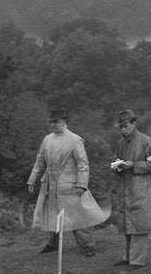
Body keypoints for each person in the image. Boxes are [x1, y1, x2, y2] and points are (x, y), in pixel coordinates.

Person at [27, 109, 108, 257]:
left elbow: (83, 164)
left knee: (77, 214)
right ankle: (53, 243)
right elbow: (40, 161)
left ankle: (87, 245)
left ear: (64, 121)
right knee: (52, 213)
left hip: (69, 183)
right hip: (51, 183)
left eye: (56, 121)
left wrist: (82, 185)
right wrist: (32, 179)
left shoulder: (74, 139)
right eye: (51, 122)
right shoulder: (47, 139)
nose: (53, 125)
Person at [110, 109, 151, 270]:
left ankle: (137, 261)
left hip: (142, 189)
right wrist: (117, 167)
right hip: (126, 188)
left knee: (140, 224)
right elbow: (116, 161)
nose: (123, 129)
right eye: (121, 127)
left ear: (134, 124)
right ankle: (128, 257)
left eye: (125, 126)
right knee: (127, 223)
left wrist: (134, 165)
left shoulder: (147, 141)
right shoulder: (120, 143)